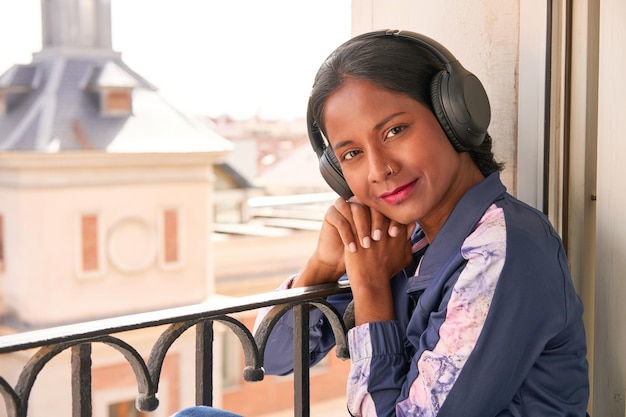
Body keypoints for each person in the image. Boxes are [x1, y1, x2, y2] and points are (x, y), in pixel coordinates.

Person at [174, 29, 589, 417]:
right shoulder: (399, 237)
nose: (379, 169)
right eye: (352, 154)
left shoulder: (501, 248)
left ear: (455, 115)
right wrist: (322, 265)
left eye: (395, 130)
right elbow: (273, 356)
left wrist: (371, 288)